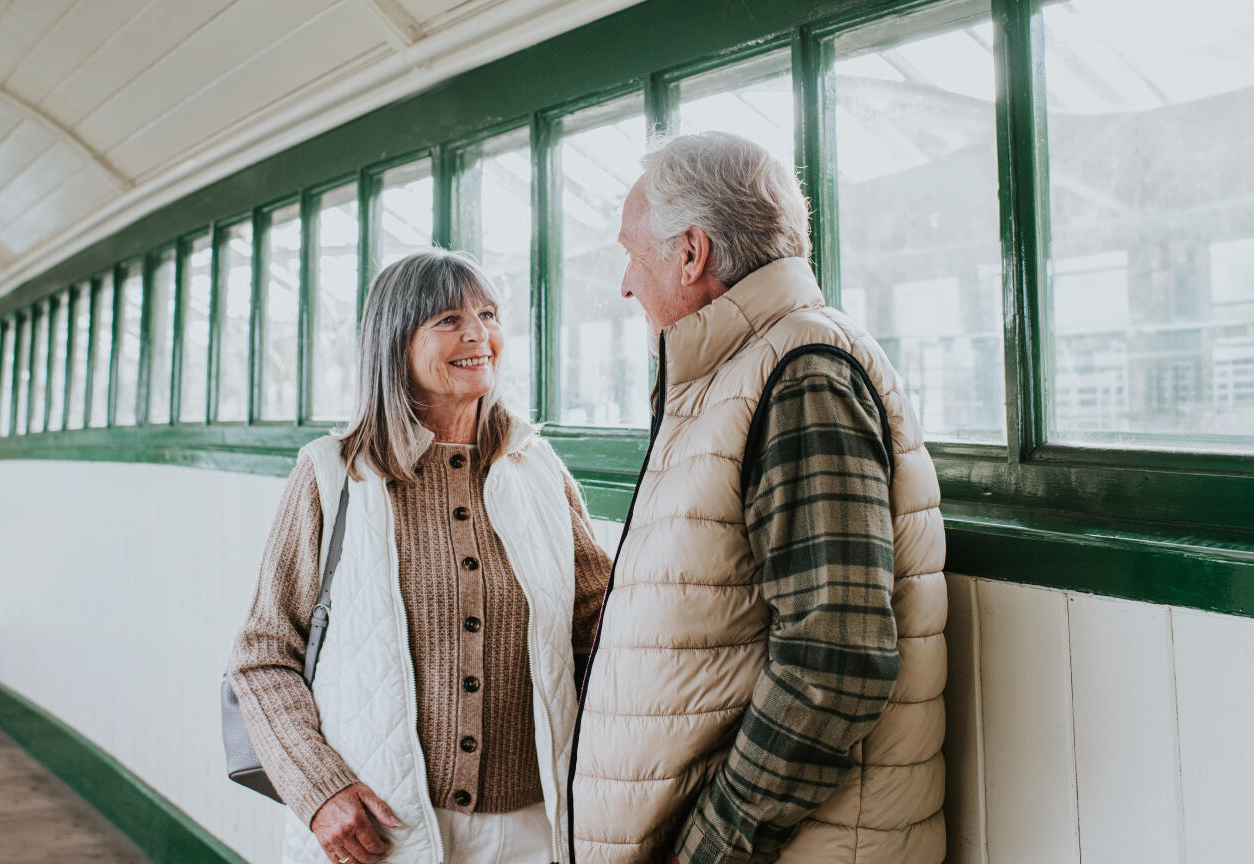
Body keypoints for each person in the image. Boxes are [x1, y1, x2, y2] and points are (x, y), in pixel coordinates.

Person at [568, 132, 947, 864]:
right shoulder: (735, 373)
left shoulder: (803, 374)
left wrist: (707, 853)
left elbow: (835, 658)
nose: (623, 283)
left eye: (632, 251)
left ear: (692, 252)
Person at [231, 250, 611, 864]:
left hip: (535, 832)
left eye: (487, 314)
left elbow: (601, 626)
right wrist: (317, 790)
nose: (477, 334)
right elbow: (263, 655)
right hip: (381, 833)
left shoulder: (537, 469)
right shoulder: (331, 475)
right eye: (447, 319)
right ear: (394, 342)